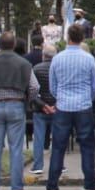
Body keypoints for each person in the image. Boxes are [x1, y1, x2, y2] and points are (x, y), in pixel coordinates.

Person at [0, 32, 42, 190]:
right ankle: (16, 188)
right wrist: (27, 99)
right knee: (16, 149)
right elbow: (35, 87)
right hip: (16, 103)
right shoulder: (23, 63)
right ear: (13, 44)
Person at [45, 24, 95, 190]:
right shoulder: (88, 59)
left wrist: (60, 97)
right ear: (82, 38)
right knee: (87, 147)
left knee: (58, 147)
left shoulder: (57, 59)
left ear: (68, 37)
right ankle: (90, 188)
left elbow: (52, 86)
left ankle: (52, 188)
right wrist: (87, 98)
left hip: (63, 106)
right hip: (83, 105)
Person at [31, 44, 57, 174]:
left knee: (39, 138)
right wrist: (55, 105)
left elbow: (32, 90)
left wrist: (43, 105)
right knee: (58, 138)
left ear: (43, 55)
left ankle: (37, 165)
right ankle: (59, 164)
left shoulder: (36, 69)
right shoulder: (59, 68)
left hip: (39, 108)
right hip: (56, 108)